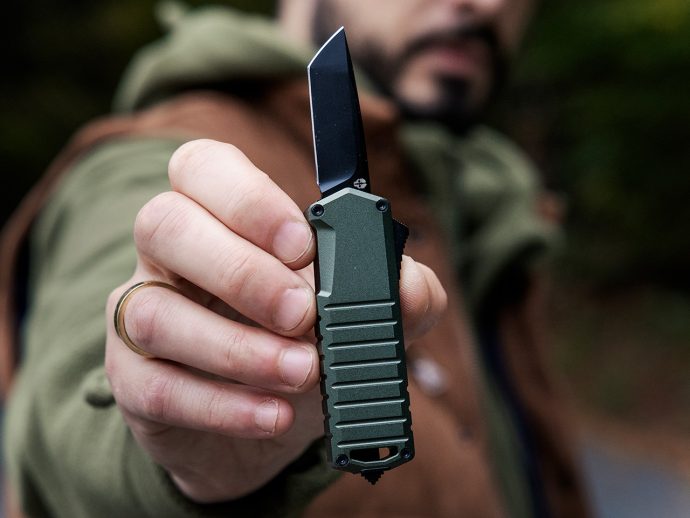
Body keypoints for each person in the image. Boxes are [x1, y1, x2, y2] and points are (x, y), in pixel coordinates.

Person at [1, 0, 590, 516]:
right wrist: (168, 452)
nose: (488, 4)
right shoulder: (151, 162)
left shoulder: (485, 203)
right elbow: (66, 420)